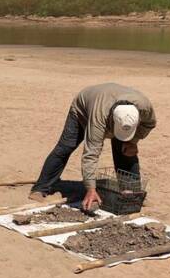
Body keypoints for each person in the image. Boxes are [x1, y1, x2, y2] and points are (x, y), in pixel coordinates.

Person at [29, 82, 157, 211]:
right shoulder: (99, 117)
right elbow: (91, 154)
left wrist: (133, 141)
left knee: (126, 151)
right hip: (82, 110)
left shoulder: (144, 107)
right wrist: (91, 189)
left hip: (114, 109)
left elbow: (149, 124)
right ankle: (40, 187)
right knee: (66, 146)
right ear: (111, 120)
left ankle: (133, 194)